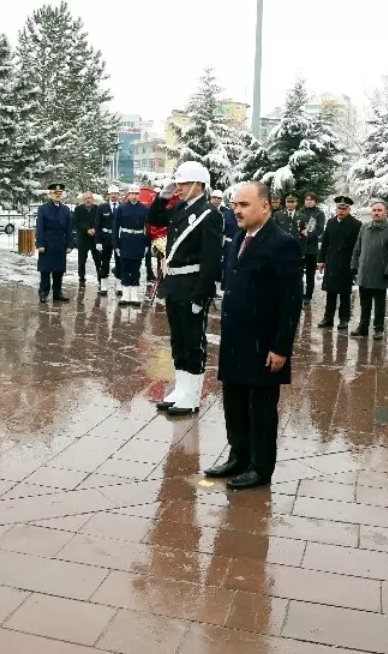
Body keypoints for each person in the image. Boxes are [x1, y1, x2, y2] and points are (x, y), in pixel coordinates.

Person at [206, 181, 303, 490]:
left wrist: (280, 346)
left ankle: (260, 468)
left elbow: (291, 301)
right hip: (235, 340)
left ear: (266, 206)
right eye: (235, 205)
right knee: (234, 404)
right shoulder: (237, 239)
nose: (237, 210)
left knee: (260, 409)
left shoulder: (282, 243)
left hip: (264, 344)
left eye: (244, 205)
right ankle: (238, 455)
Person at [148, 161, 223, 416]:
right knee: (178, 339)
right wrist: (163, 197)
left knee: (194, 341)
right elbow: (154, 219)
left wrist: (202, 294)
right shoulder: (180, 207)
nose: (179, 188)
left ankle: (192, 396)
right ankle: (181, 388)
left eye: (183, 184)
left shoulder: (210, 214)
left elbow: (211, 260)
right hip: (175, 284)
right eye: (178, 184)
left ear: (199, 185)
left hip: (192, 284)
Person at [349, 200, 388, 339]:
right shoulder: (365, 228)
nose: (376, 213)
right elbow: (357, 248)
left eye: (379, 210)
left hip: (380, 272)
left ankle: (378, 329)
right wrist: (354, 265)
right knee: (364, 303)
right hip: (364, 271)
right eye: (374, 210)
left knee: (379, 304)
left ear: (385, 213)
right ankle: (363, 327)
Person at [316, 195, 362, 330]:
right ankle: (328, 318)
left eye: (344, 208)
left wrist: (355, 264)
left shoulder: (356, 225)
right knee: (330, 291)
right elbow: (325, 243)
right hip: (331, 261)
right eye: (339, 208)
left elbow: (357, 246)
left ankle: (344, 319)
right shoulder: (330, 223)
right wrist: (321, 260)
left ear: (349, 209)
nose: (341, 211)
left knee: (344, 293)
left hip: (347, 262)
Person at [36, 182, 75, 303]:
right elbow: (40, 227)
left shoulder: (65, 209)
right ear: (50, 195)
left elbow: (69, 228)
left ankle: (57, 293)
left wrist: (69, 244)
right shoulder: (43, 209)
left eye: (60, 193)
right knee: (45, 270)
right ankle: (44, 292)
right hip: (47, 242)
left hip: (60, 243)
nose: (58, 195)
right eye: (55, 193)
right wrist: (40, 244)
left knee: (59, 270)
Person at [112, 184, 149, 306]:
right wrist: (116, 245)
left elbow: (147, 229)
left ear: (139, 195)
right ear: (128, 194)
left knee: (136, 269)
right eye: (132, 193)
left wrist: (147, 245)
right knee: (124, 268)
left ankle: (134, 295)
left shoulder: (144, 209)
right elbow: (116, 228)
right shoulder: (121, 209)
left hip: (138, 241)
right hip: (125, 241)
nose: (134, 196)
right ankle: (125, 295)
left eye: (136, 194)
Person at [94, 187, 121, 295]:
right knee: (105, 261)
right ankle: (104, 285)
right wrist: (98, 241)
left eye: (115, 193)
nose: (113, 196)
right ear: (108, 195)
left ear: (118, 195)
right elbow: (97, 225)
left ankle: (119, 285)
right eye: (111, 194)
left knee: (119, 261)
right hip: (106, 238)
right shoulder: (102, 207)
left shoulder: (123, 207)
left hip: (119, 238)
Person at [300, 193, 326, 304]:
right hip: (300, 247)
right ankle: (298, 293)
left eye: (311, 200)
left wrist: (307, 236)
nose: (309, 201)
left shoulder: (319, 213)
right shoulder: (300, 212)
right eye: (307, 199)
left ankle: (308, 295)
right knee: (298, 272)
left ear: (315, 201)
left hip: (312, 248)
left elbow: (320, 229)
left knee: (310, 274)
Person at [73, 191, 101, 288]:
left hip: (95, 239)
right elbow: (76, 223)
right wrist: (87, 229)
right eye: (85, 198)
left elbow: (101, 222)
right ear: (83, 199)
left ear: (92, 199)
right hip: (83, 239)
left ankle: (100, 279)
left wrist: (95, 229)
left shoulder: (98, 209)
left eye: (89, 198)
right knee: (81, 261)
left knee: (98, 261)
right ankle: (81, 279)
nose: (87, 200)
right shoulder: (78, 209)